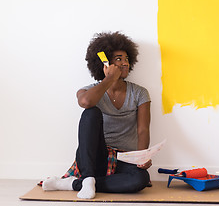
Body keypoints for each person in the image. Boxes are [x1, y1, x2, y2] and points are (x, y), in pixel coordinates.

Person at [42, 32, 152, 199]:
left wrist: (143, 156)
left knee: (140, 180)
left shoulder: (140, 93)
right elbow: (85, 102)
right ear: (105, 63)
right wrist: (108, 79)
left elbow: (143, 129)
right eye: (119, 59)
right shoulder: (87, 91)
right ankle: (87, 178)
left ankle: (73, 183)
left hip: (124, 157)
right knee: (91, 112)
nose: (125, 63)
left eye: (127, 59)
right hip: (94, 158)